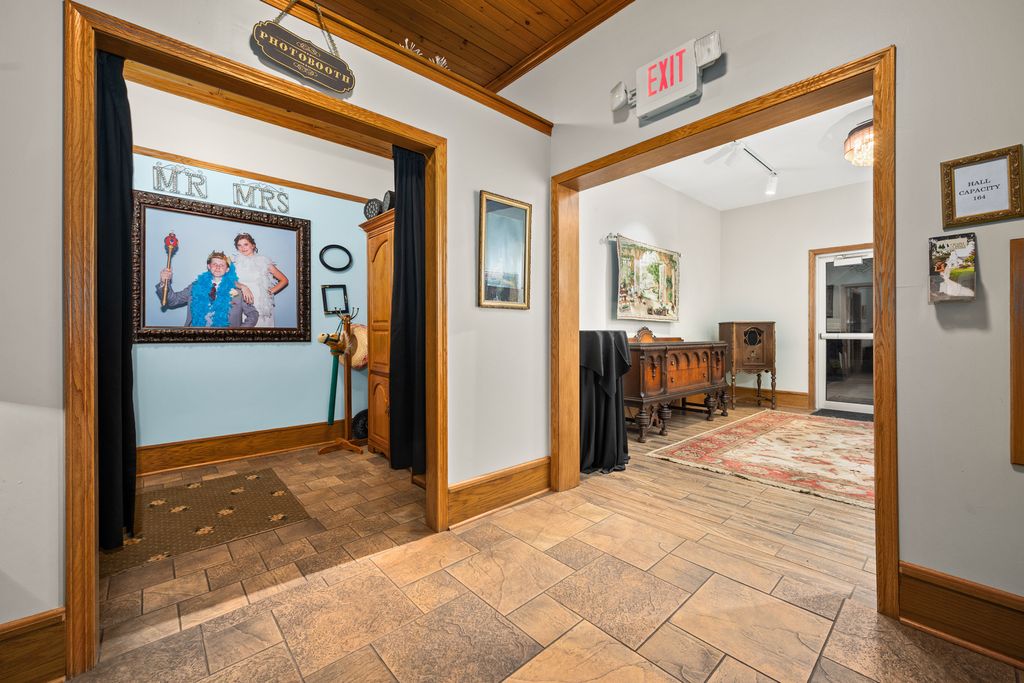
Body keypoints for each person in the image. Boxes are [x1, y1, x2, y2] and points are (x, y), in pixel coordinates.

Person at [158, 251, 258, 327]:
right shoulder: (195, 286)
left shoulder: (239, 292)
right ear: (209, 266)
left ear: (227, 269)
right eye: (214, 264)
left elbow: (253, 314)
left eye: (222, 265)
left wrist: (239, 332)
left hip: (226, 341)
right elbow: (173, 301)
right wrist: (164, 282)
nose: (218, 267)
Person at [232, 232, 289, 328]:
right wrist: (243, 287)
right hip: (244, 304)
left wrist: (270, 292)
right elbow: (230, 281)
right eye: (239, 245)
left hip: (261, 303)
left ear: (253, 245)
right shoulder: (235, 264)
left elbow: (284, 280)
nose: (243, 248)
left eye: (246, 244)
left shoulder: (263, 262)